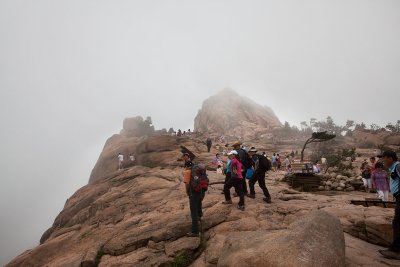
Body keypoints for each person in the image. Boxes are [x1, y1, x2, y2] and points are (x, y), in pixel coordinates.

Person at [379, 150, 400, 260]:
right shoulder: (394, 168)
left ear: (391, 158)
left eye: (384, 158)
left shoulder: (397, 166)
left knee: (398, 223)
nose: (383, 160)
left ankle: (396, 251)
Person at [182, 153, 203, 237]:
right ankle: (200, 217)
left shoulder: (187, 172)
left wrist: (187, 192)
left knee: (193, 211)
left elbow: (186, 184)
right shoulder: (197, 171)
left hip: (193, 193)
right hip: (200, 191)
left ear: (186, 166)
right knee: (198, 204)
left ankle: (195, 232)